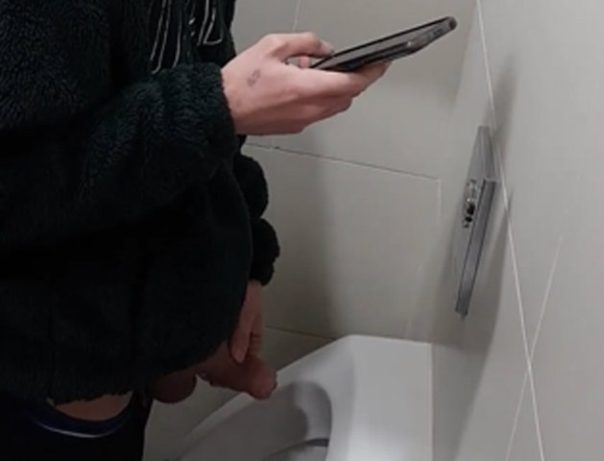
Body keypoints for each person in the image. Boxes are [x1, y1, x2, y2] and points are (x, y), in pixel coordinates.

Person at [0, 0, 386, 459]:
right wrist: (218, 107)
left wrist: (247, 260)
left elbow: (204, 107)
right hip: (50, 379)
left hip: (130, 357)